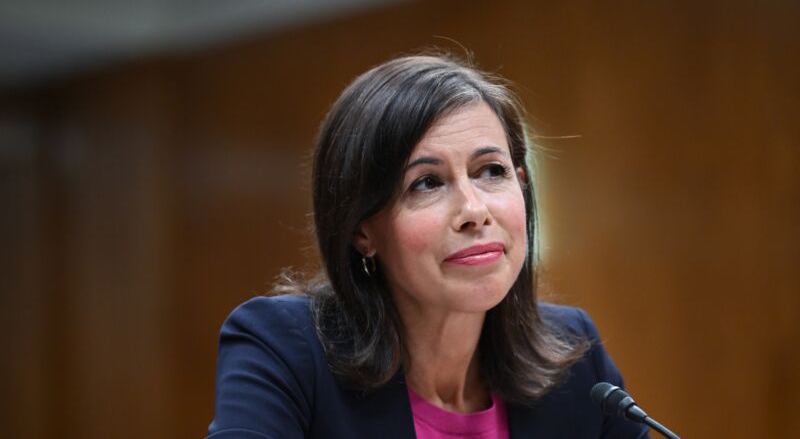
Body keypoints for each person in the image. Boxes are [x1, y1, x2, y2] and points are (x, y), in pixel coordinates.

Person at [206, 54, 650, 438]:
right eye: (427, 183)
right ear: (362, 229)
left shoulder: (578, 364)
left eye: (491, 171)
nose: (474, 210)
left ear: (522, 185)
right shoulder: (284, 348)